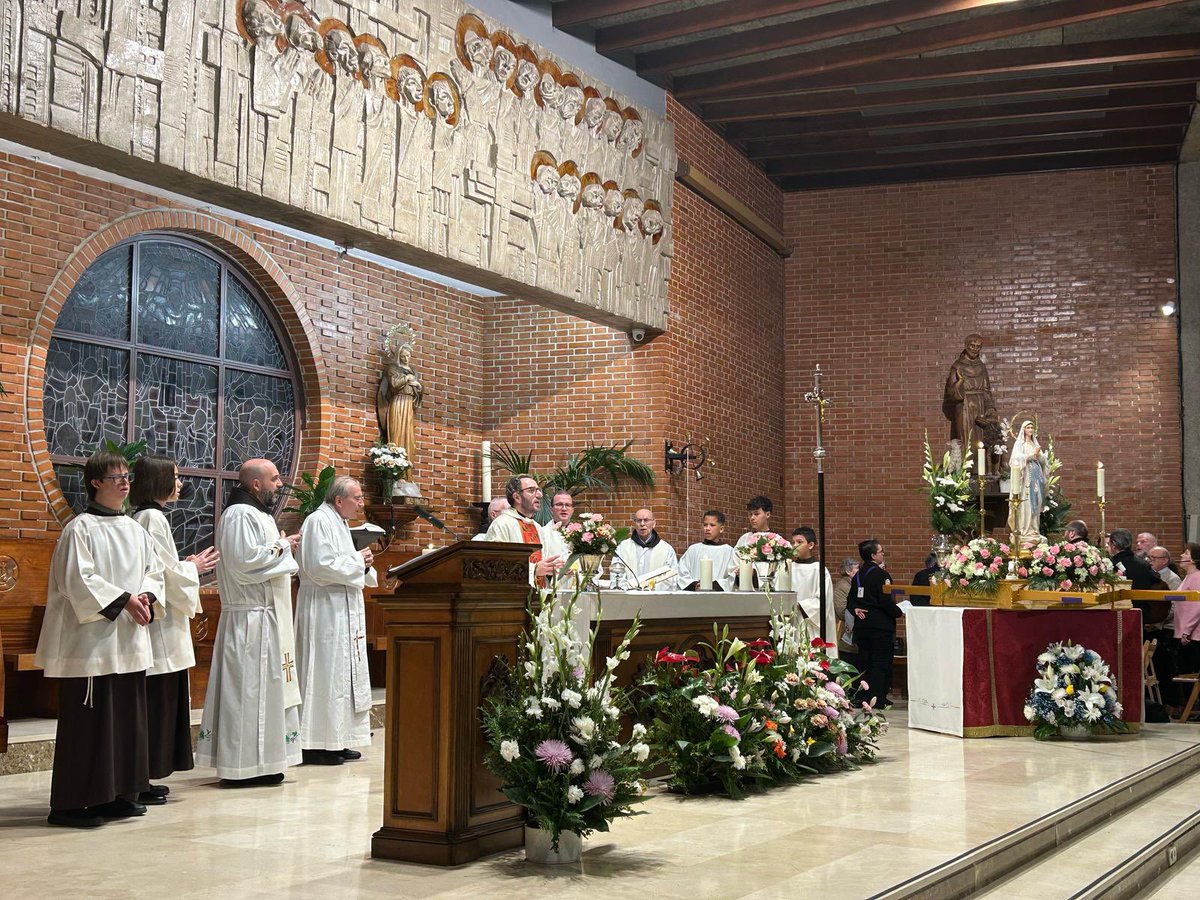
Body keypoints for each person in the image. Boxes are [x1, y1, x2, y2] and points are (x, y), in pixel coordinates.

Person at [35, 450, 165, 827]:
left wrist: (146, 596)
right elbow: (78, 580)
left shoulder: (135, 529)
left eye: (127, 476)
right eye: (115, 477)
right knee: (89, 723)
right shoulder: (80, 529)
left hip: (127, 637)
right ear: (95, 483)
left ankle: (117, 794)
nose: (125, 482)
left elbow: (153, 571)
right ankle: (72, 804)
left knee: (127, 718)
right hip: (91, 640)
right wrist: (125, 600)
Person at [195, 458, 303, 787]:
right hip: (249, 620)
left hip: (266, 618)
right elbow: (243, 563)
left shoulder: (257, 515)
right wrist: (285, 545)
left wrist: (283, 551)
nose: (279, 484)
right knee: (247, 693)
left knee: (265, 693)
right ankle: (241, 765)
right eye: (273, 479)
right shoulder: (239, 514)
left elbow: (265, 558)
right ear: (255, 484)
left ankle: (267, 761)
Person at [130, 455, 219, 803]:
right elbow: (161, 573)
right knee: (156, 702)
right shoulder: (151, 517)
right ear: (158, 481)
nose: (181, 483)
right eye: (176, 477)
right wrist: (192, 566)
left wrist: (185, 567)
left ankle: (144, 776)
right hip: (159, 629)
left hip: (161, 625)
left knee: (159, 702)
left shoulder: (147, 516)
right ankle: (142, 777)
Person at [295, 476, 378, 766]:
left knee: (343, 674)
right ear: (339, 500)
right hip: (324, 611)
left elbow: (343, 562)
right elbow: (319, 566)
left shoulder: (339, 522)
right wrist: (358, 561)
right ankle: (316, 743)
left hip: (341, 608)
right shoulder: (319, 521)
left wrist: (363, 562)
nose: (361, 503)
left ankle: (338, 739)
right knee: (325, 672)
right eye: (357, 498)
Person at [848, 540, 901, 708]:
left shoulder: (858, 575)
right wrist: (898, 612)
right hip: (880, 627)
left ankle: (861, 696)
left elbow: (851, 600)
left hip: (862, 627)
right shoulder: (881, 575)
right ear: (873, 555)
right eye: (881, 552)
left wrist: (855, 608)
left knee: (864, 662)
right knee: (880, 663)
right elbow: (885, 601)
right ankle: (877, 699)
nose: (883, 554)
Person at [486, 475, 563, 587]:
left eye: (538, 490)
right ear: (517, 497)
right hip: (513, 597)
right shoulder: (502, 524)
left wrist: (554, 570)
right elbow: (495, 564)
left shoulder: (537, 528)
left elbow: (543, 566)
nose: (539, 495)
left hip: (539, 597)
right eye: (532, 490)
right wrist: (534, 569)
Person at [942, 333, 996, 461]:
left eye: (978, 346)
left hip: (980, 407)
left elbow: (987, 390)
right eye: (972, 345)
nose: (975, 349)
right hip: (964, 407)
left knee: (980, 440)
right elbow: (950, 393)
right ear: (966, 346)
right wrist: (960, 382)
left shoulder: (982, 367)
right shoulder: (957, 366)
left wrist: (990, 408)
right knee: (965, 439)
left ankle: (979, 474)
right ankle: (964, 474)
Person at [789, 527, 838, 657]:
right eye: (793, 542)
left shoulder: (819, 569)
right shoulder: (789, 568)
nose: (795, 546)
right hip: (792, 620)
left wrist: (802, 605)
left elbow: (824, 599)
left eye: (799, 542)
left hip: (811, 621)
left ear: (811, 545)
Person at [375, 339, 423, 458]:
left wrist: (419, 387)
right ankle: (395, 462)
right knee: (397, 432)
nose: (406, 359)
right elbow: (394, 384)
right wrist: (406, 378)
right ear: (398, 356)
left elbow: (417, 390)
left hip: (409, 405)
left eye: (408, 356)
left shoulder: (413, 370)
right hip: (398, 403)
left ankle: (407, 467)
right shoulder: (392, 368)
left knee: (408, 435)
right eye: (403, 357)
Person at [612, 508, 677, 591]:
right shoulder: (623, 547)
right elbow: (616, 573)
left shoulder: (666, 549)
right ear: (634, 523)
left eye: (646, 520)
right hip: (629, 597)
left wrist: (651, 588)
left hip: (656, 598)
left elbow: (671, 577)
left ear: (654, 523)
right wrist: (627, 589)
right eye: (639, 520)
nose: (642, 524)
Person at [676, 510, 736, 591]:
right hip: (695, 596)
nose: (707, 528)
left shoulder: (729, 552)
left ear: (721, 529)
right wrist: (695, 585)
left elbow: (731, 578)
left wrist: (712, 585)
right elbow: (681, 573)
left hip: (718, 598)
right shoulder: (693, 549)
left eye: (712, 525)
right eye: (705, 525)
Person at [1008, 420, 1047, 544]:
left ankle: (1034, 529)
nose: (1030, 430)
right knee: (1026, 503)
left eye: (1032, 428)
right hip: (1025, 479)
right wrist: (1031, 455)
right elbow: (1015, 459)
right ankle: (1025, 529)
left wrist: (1040, 455)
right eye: (1028, 427)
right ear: (1023, 430)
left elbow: (1043, 461)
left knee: (1037, 500)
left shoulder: (1035, 444)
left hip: (1036, 477)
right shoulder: (1020, 444)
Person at [1174, 544, 1200, 678]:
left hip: (1193, 635)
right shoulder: (1188, 576)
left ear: (1193, 560)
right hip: (1185, 633)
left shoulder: (1197, 577)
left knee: (1191, 673)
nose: (1181, 556)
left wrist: (1187, 630)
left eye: (1186, 553)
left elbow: (1197, 607)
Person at [833, 558, 859, 655]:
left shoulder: (853, 584)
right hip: (846, 637)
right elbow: (842, 612)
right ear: (848, 571)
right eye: (857, 568)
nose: (860, 571)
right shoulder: (841, 587)